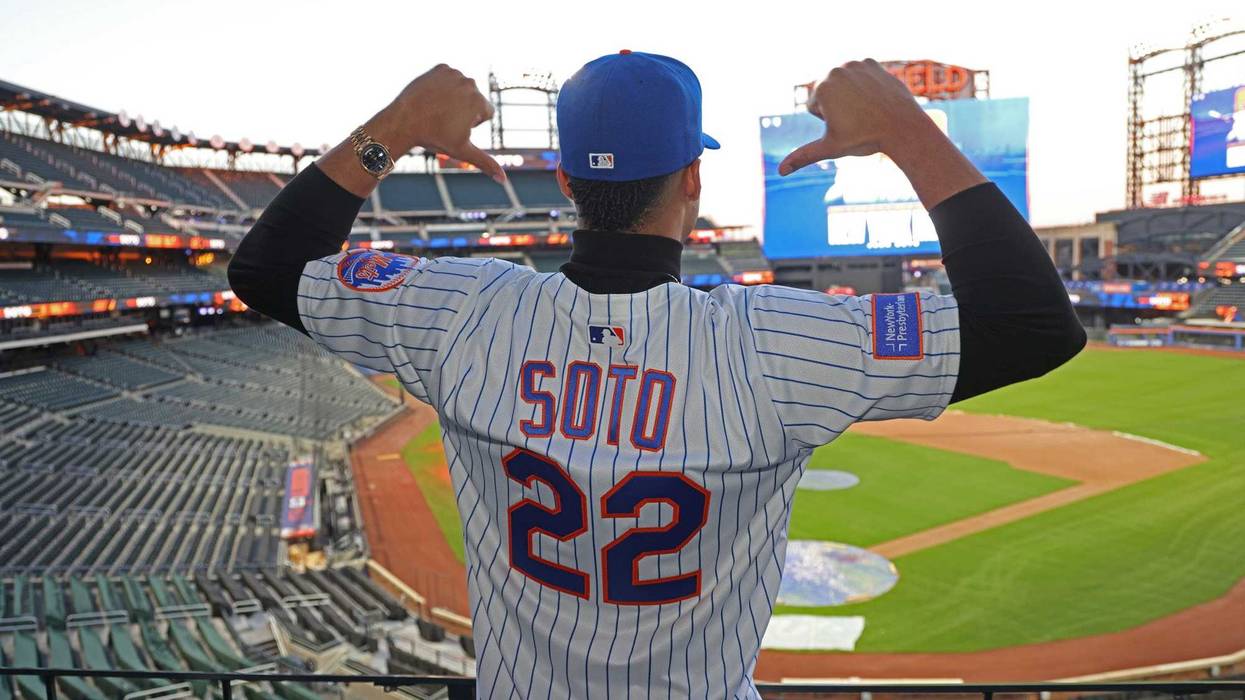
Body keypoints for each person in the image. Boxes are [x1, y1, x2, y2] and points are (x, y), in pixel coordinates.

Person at [228, 53, 1084, 699]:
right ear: (692, 179)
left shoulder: (460, 310)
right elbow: (1030, 324)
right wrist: (906, 128)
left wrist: (402, 123)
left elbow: (267, 267)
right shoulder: (770, 341)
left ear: (563, 182)